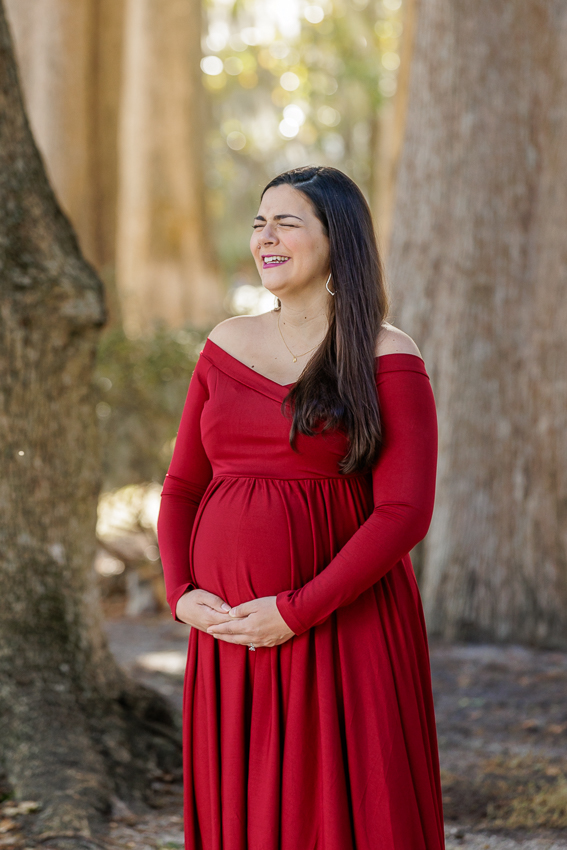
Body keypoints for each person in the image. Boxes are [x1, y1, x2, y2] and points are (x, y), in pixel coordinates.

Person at [157, 165, 445, 850]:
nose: (266, 236)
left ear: (335, 238)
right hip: (231, 634)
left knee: (346, 811)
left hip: (343, 625)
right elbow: (181, 488)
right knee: (247, 807)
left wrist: (296, 610)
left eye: (287, 221)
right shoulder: (225, 343)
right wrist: (179, 594)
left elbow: (403, 512)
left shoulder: (385, 354)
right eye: (260, 222)